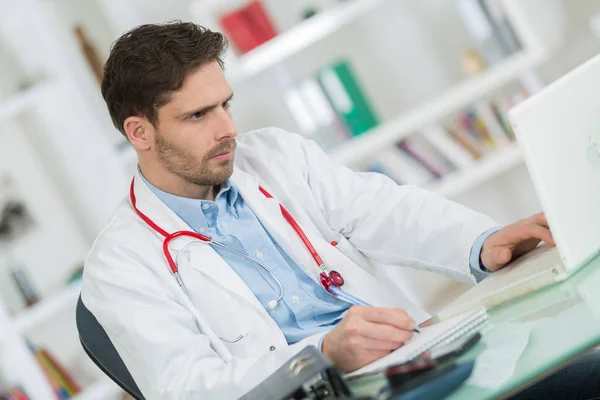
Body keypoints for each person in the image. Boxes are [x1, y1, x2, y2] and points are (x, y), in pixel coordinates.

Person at [82, 21, 591, 400]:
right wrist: (320, 356)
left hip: (415, 367)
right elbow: (185, 387)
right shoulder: (121, 264)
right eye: (198, 115)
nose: (227, 129)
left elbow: (383, 209)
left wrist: (483, 243)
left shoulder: (275, 155)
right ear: (139, 132)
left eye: (225, 105)